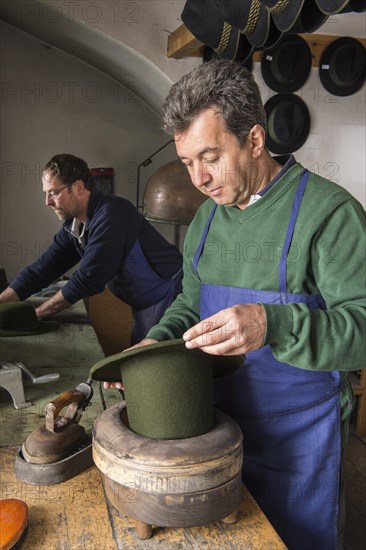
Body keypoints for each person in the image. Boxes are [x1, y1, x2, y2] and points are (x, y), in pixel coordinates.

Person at [105, 59, 365, 548]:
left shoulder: (329, 214)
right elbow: (190, 301)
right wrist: (156, 342)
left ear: (254, 140)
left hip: (299, 445)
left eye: (210, 155)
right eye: (187, 162)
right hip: (215, 437)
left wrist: (276, 324)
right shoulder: (207, 220)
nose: (199, 178)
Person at [0, 154, 183, 344]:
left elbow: (88, 278)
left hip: (174, 298)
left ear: (78, 187)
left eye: (54, 193)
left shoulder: (113, 213)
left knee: (158, 364)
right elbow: (40, 271)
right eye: (46, 193)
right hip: (145, 305)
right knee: (141, 363)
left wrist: (37, 314)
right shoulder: (75, 225)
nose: (47, 201)